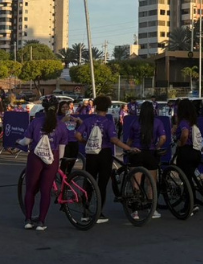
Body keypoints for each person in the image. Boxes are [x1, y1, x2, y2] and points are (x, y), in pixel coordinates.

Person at [75, 96, 137, 224]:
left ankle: (85, 212)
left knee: (89, 181)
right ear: (108, 107)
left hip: (91, 153)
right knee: (102, 184)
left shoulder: (88, 120)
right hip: (104, 153)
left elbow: (78, 135)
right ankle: (98, 212)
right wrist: (128, 148)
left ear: (96, 106)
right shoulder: (108, 122)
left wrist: (85, 142)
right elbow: (114, 139)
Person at [21, 97, 69, 231]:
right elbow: (62, 148)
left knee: (30, 189)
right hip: (52, 158)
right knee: (46, 191)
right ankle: (42, 222)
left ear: (44, 108)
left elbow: (26, 141)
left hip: (36, 158)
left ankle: (28, 220)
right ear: (57, 108)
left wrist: (19, 142)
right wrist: (58, 163)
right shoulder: (61, 125)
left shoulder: (35, 122)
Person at [126, 101, 167, 220]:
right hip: (150, 153)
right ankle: (152, 209)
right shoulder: (157, 122)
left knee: (136, 183)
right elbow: (163, 138)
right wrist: (157, 146)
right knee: (151, 183)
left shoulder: (135, 122)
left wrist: (127, 149)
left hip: (136, 153)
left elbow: (130, 139)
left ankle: (135, 211)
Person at [174, 99, 202, 189]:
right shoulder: (193, 121)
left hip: (186, 151)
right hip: (196, 152)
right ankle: (192, 198)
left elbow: (185, 134)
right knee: (189, 176)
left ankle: (190, 200)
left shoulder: (184, 122)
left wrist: (181, 143)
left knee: (185, 178)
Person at [58, 101, 82, 173]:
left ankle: (69, 173)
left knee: (73, 160)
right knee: (65, 160)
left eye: (66, 107)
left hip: (74, 141)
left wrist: (79, 120)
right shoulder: (58, 117)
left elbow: (82, 125)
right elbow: (55, 128)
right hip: (64, 142)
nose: (65, 108)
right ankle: (63, 177)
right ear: (59, 108)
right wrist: (63, 120)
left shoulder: (72, 117)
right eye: (63, 107)